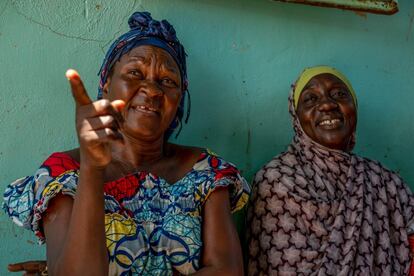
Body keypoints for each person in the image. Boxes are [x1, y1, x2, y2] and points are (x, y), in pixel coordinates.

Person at [3, 11, 250, 275]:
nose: (152, 90)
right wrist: (92, 169)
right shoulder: (63, 174)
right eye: (135, 73)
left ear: (179, 97)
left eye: (167, 81)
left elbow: (227, 271)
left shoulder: (206, 172)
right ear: (106, 83)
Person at [247, 66, 414, 275]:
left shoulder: (384, 182)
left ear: (355, 108)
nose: (326, 104)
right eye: (310, 99)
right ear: (296, 117)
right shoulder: (276, 182)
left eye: (339, 95)